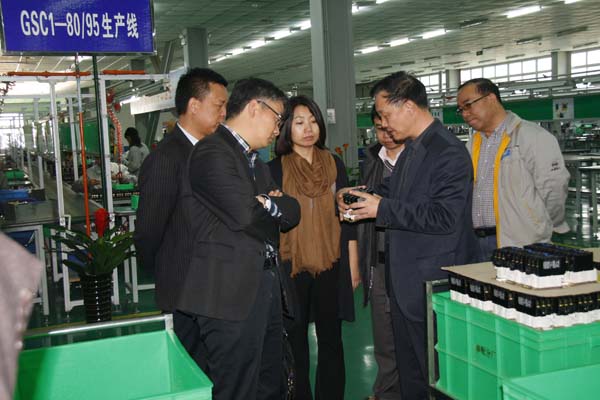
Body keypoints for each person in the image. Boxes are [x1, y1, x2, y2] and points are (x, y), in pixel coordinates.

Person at [337, 71, 478, 400]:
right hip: (404, 283)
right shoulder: (414, 149)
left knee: (434, 374)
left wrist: (382, 208)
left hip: (430, 282)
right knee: (410, 370)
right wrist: (357, 195)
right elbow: (393, 192)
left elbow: (445, 217)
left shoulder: (448, 152)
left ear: (410, 107)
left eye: (386, 114)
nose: (384, 124)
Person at [182, 78, 300, 399]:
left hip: (265, 288)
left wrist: (267, 203)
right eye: (278, 118)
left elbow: (291, 212)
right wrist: (269, 204)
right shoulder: (212, 152)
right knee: (238, 388)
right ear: (254, 108)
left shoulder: (255, 162)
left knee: (270, 384)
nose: (278, 130)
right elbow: (245, 215)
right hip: (229, 297)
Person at [133, 68, 228, 362]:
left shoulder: (213, 152)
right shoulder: (166, 158)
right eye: (219, 105)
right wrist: (167, 268)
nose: (224, 114)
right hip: (183, 289)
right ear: (194, 105)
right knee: (189, 367)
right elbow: (148, 231)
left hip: (216, 285)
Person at [269, 95, 359, 400]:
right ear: (286, 128)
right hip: (291, 266)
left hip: (331, 262)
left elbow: (348, 218)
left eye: (313, 121)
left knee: (331, 338)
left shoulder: (334, 164)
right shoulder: (274, 169)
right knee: (295, 341)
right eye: (299, 122)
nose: (308, 129)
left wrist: (353, 264)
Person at [457, 78, 570, 261]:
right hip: (476, 243)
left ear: (491, 98)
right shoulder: (472, 144)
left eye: (468, 105)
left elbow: (554, 188)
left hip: (521, 241)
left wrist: (540, 224)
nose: (465, 113)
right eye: (461, 109)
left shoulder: (533, 137)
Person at [357, 105, 404, 400]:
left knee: (415, 334)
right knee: (384, 336)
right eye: (378, 128)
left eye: (389, 126)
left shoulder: (418, 159)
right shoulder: (372, 160)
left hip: (410, 261)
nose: (385, 134)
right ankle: (386, 392)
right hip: (379, 257)